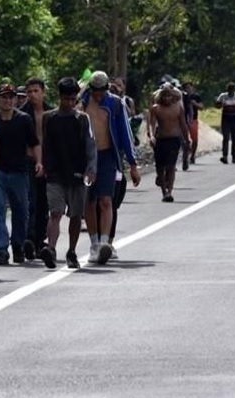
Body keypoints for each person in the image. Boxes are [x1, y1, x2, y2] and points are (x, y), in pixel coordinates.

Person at [81, 71, 141, 263]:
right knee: (89, 202)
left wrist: (132, 164)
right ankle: (94, 244)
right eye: (95, 91)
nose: (98, 95)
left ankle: (105, 243)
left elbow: (125, 133)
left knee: (106, 201)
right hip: (86, 157)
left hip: (107, 156)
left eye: (101, 91)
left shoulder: (115, 103)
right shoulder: (81, 101)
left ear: (107, 89)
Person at [39, 77, 96, 269]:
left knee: (75, 215)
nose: (70, 103)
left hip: (78, 174)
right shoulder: (49, 118)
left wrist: (91, 168)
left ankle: (71, 252)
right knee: (55, 212)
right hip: (55, 174)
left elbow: (90, 145)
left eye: (73, 99)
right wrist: (42, 164)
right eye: (66, 99)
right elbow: (43, 144)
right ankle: (51, 249)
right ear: (60, 97)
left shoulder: (82, 119)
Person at [0, 83, 41, 266]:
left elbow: (34, 143)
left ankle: (17, 245)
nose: (7, 100)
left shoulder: (24, 119)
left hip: (20, 172)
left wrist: (39, 162)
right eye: (4, 97)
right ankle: (1, 250)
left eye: (10, 97)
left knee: (21, 211)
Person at [20, 77, 53, 261]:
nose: (32, 95)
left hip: (48, 162)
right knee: (30, 202)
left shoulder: (52, 112)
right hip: (27, 161)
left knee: (44, 204)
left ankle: (41, 241)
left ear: (43, 91)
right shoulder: (22, 113)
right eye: (29, 91)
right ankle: (29, 239)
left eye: (36, 91)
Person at [148, 83, 191, 202]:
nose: (167, 98)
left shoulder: (178, 108)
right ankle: (163, 190)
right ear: (161, 97)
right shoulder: (156, 108)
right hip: (161, 140)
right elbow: (151, 124)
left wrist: (187, 138)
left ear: (172, 97)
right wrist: (151, 136)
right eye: (165, 96)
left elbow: (183, 124)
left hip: (174, 139)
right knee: (160, 167)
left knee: (171, 166)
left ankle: (169, 191)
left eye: (169, 96)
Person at [215, 82, 235, 164]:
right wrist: (222, 105)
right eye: (229, 90)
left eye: (232, 90)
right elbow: (217, 105)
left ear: (234, 90)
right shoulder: (223, 96)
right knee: (226, 138)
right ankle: (225, 156)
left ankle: (234, 156)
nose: (231, 92)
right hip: (226, 118)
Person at [182, 81, 203, 167]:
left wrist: (195, 104)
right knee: (184, 140)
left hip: (193, 120)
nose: (189, 89)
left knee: (195, 139)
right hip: (183, 120)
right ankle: (185, 157)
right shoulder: (181, 97)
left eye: (190, 87)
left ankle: (193, 155)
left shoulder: (196, 96)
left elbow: (201, 107)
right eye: (187, 88)